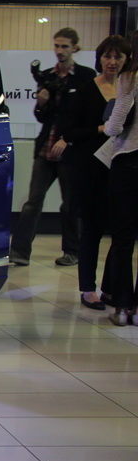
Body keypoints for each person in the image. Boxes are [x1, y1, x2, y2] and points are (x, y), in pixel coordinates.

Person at [9, 27, 94, 268]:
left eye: (64, 46)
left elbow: (85, 115)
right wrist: (41, 104)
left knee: (70, 204)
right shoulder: (46, 76)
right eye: (57, 45)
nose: (59, 51)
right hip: (46, 148)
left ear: (75, 48)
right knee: (33, 202)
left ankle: (72, 251)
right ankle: (19, 252)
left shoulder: (85, 77)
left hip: (70, 148)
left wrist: (68, 139)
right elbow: (41, 116)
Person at [62, 34, 129, 311]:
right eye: (107, 56)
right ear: (99, 58)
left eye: (118, 57)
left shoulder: (129, 90)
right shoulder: (86, 90)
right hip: (90, 169)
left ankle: (110, 288)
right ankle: (88, 289)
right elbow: (70, 132)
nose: (112, 62)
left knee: (122, 232)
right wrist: (103, 128)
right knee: (91, 229)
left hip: (121, 168)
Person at [103, 30, 138, 326]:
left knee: (124, 239)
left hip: (129, 162)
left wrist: (106, 125)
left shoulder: (130, 78)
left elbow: (115, 126)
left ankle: (123, 306)